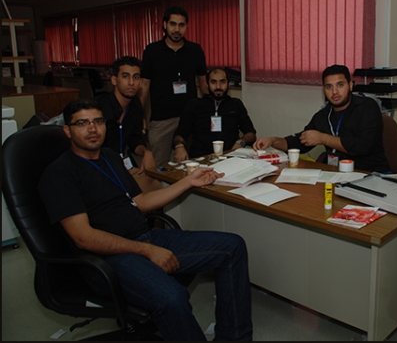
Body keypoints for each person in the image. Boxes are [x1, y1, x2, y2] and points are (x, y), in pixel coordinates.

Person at [38, 98, 253, 341]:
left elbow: (140, 201)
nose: (92, 128)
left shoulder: (108, 157)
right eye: (82, 123)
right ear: (67, 130)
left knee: (232, 247)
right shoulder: (60, 173)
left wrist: (188, 182)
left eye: (98, 121)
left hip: (145, 238)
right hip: (107, 260)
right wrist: (148, 251)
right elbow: (83, 237)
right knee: (172, 298)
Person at [253, 64, 390, 173]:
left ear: (350, 85)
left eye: (340, 85)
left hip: (371, 174)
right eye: (329, 87)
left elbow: (363, 146)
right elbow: (299, 142)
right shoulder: (323, 115)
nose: (334, 92)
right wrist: (272, 141)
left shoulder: (367, 107)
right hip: (336, 175)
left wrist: (322, 138)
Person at [139, 6, 208, 166]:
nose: (177, 29)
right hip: (162, 119)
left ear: (186, 27)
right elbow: (144, 85)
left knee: (191, 165)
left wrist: (208, 112)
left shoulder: (195, 50)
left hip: (190, 118)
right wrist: (139, 114)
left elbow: (203, 83)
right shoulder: (152, 50)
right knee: (159, 168)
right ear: (164, 25)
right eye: (173, 24)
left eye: (181, 25)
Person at [95, 56, 161, 193]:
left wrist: (146, 152)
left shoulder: (136, 106)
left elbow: (134, 140)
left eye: (136, 77)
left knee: (157, 187)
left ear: (140, 82)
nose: (131, 82)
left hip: (122, 165)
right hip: (99, 169)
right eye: (125, 76)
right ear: (114, 80)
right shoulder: (98, 108)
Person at [173, 67, 256, 160]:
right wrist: (179, 147)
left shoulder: (236, 104)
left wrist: (241, 142)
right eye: (213, 82)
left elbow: (251, 134)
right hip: (200, 157)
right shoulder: (194, 105)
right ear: (207, 84)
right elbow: (180, 134)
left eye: (222, 82)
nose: (218, 86)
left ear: (228, 84)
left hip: (229, 156)